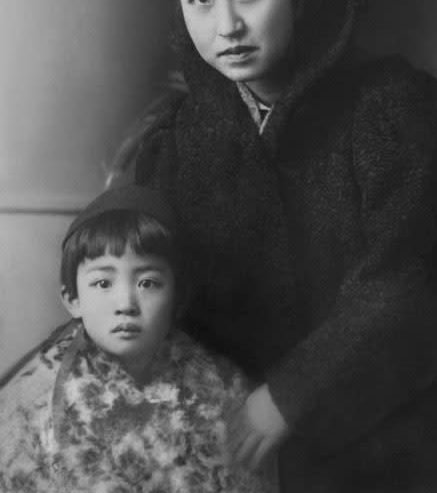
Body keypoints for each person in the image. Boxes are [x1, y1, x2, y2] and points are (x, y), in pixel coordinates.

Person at [128, 0, 437, 492]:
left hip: (388, 445)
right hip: (236, 445)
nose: (227, 24)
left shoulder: (392, 108)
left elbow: (406, 290)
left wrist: (289, 396)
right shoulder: (177, 142)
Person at [0, 185, 276, 493]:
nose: (126, 304)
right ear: (72, 298)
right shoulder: (32, 401)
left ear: (177, 296)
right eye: (103, 282)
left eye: (148, 283)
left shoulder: (223, 387)